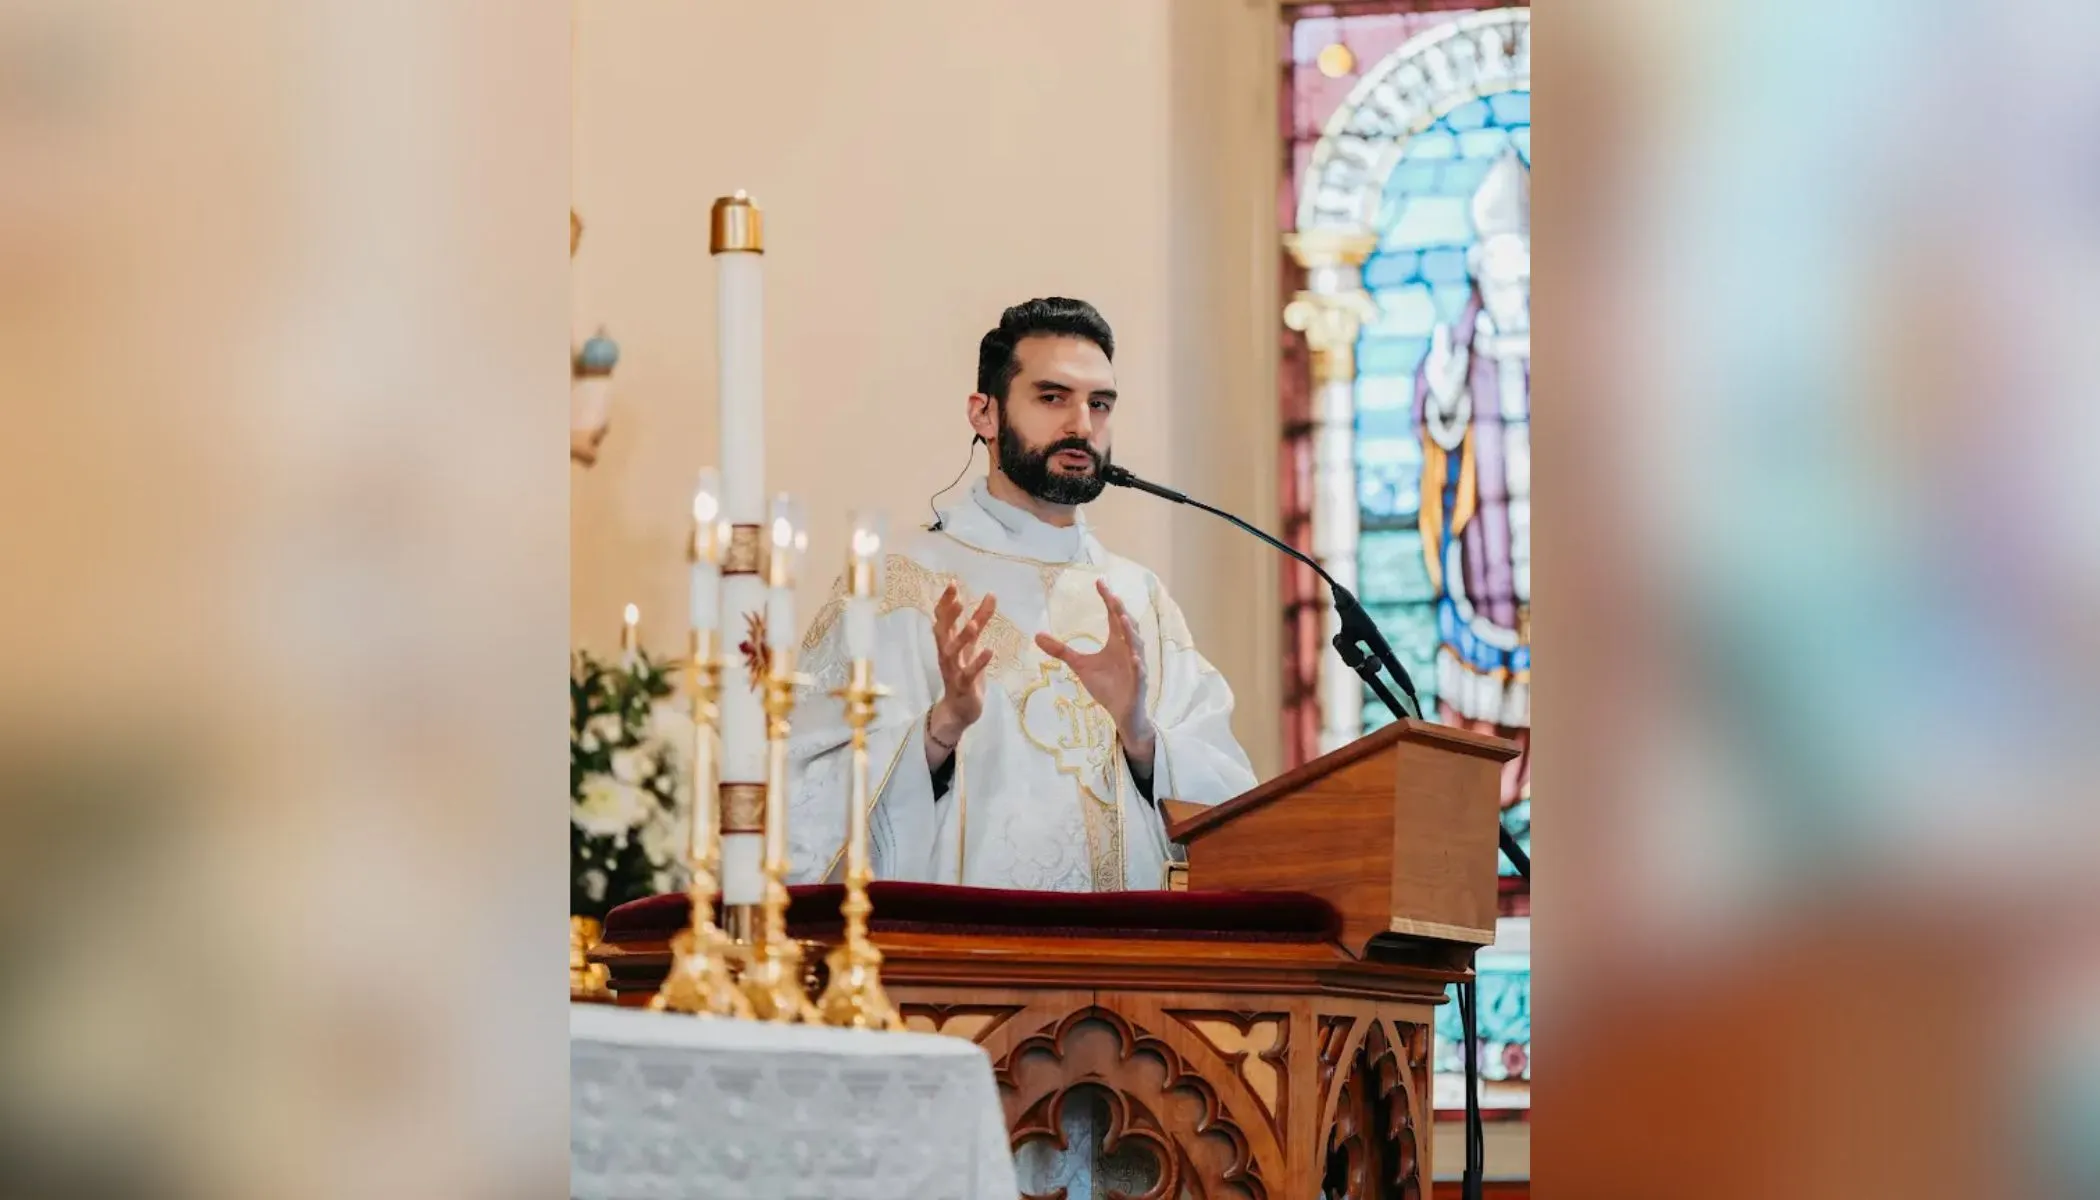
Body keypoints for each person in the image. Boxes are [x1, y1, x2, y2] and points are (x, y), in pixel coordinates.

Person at [787, 297, 1255, 891]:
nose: (1082, 426)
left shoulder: (1142, 600)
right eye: (1052, 397)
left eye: (1100, 404)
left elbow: (1234, 808)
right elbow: (803, 792)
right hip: (965, 971)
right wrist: (940, 729)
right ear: (984, 414)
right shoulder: (896, 584)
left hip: (1132, 969)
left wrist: (1142, 739)